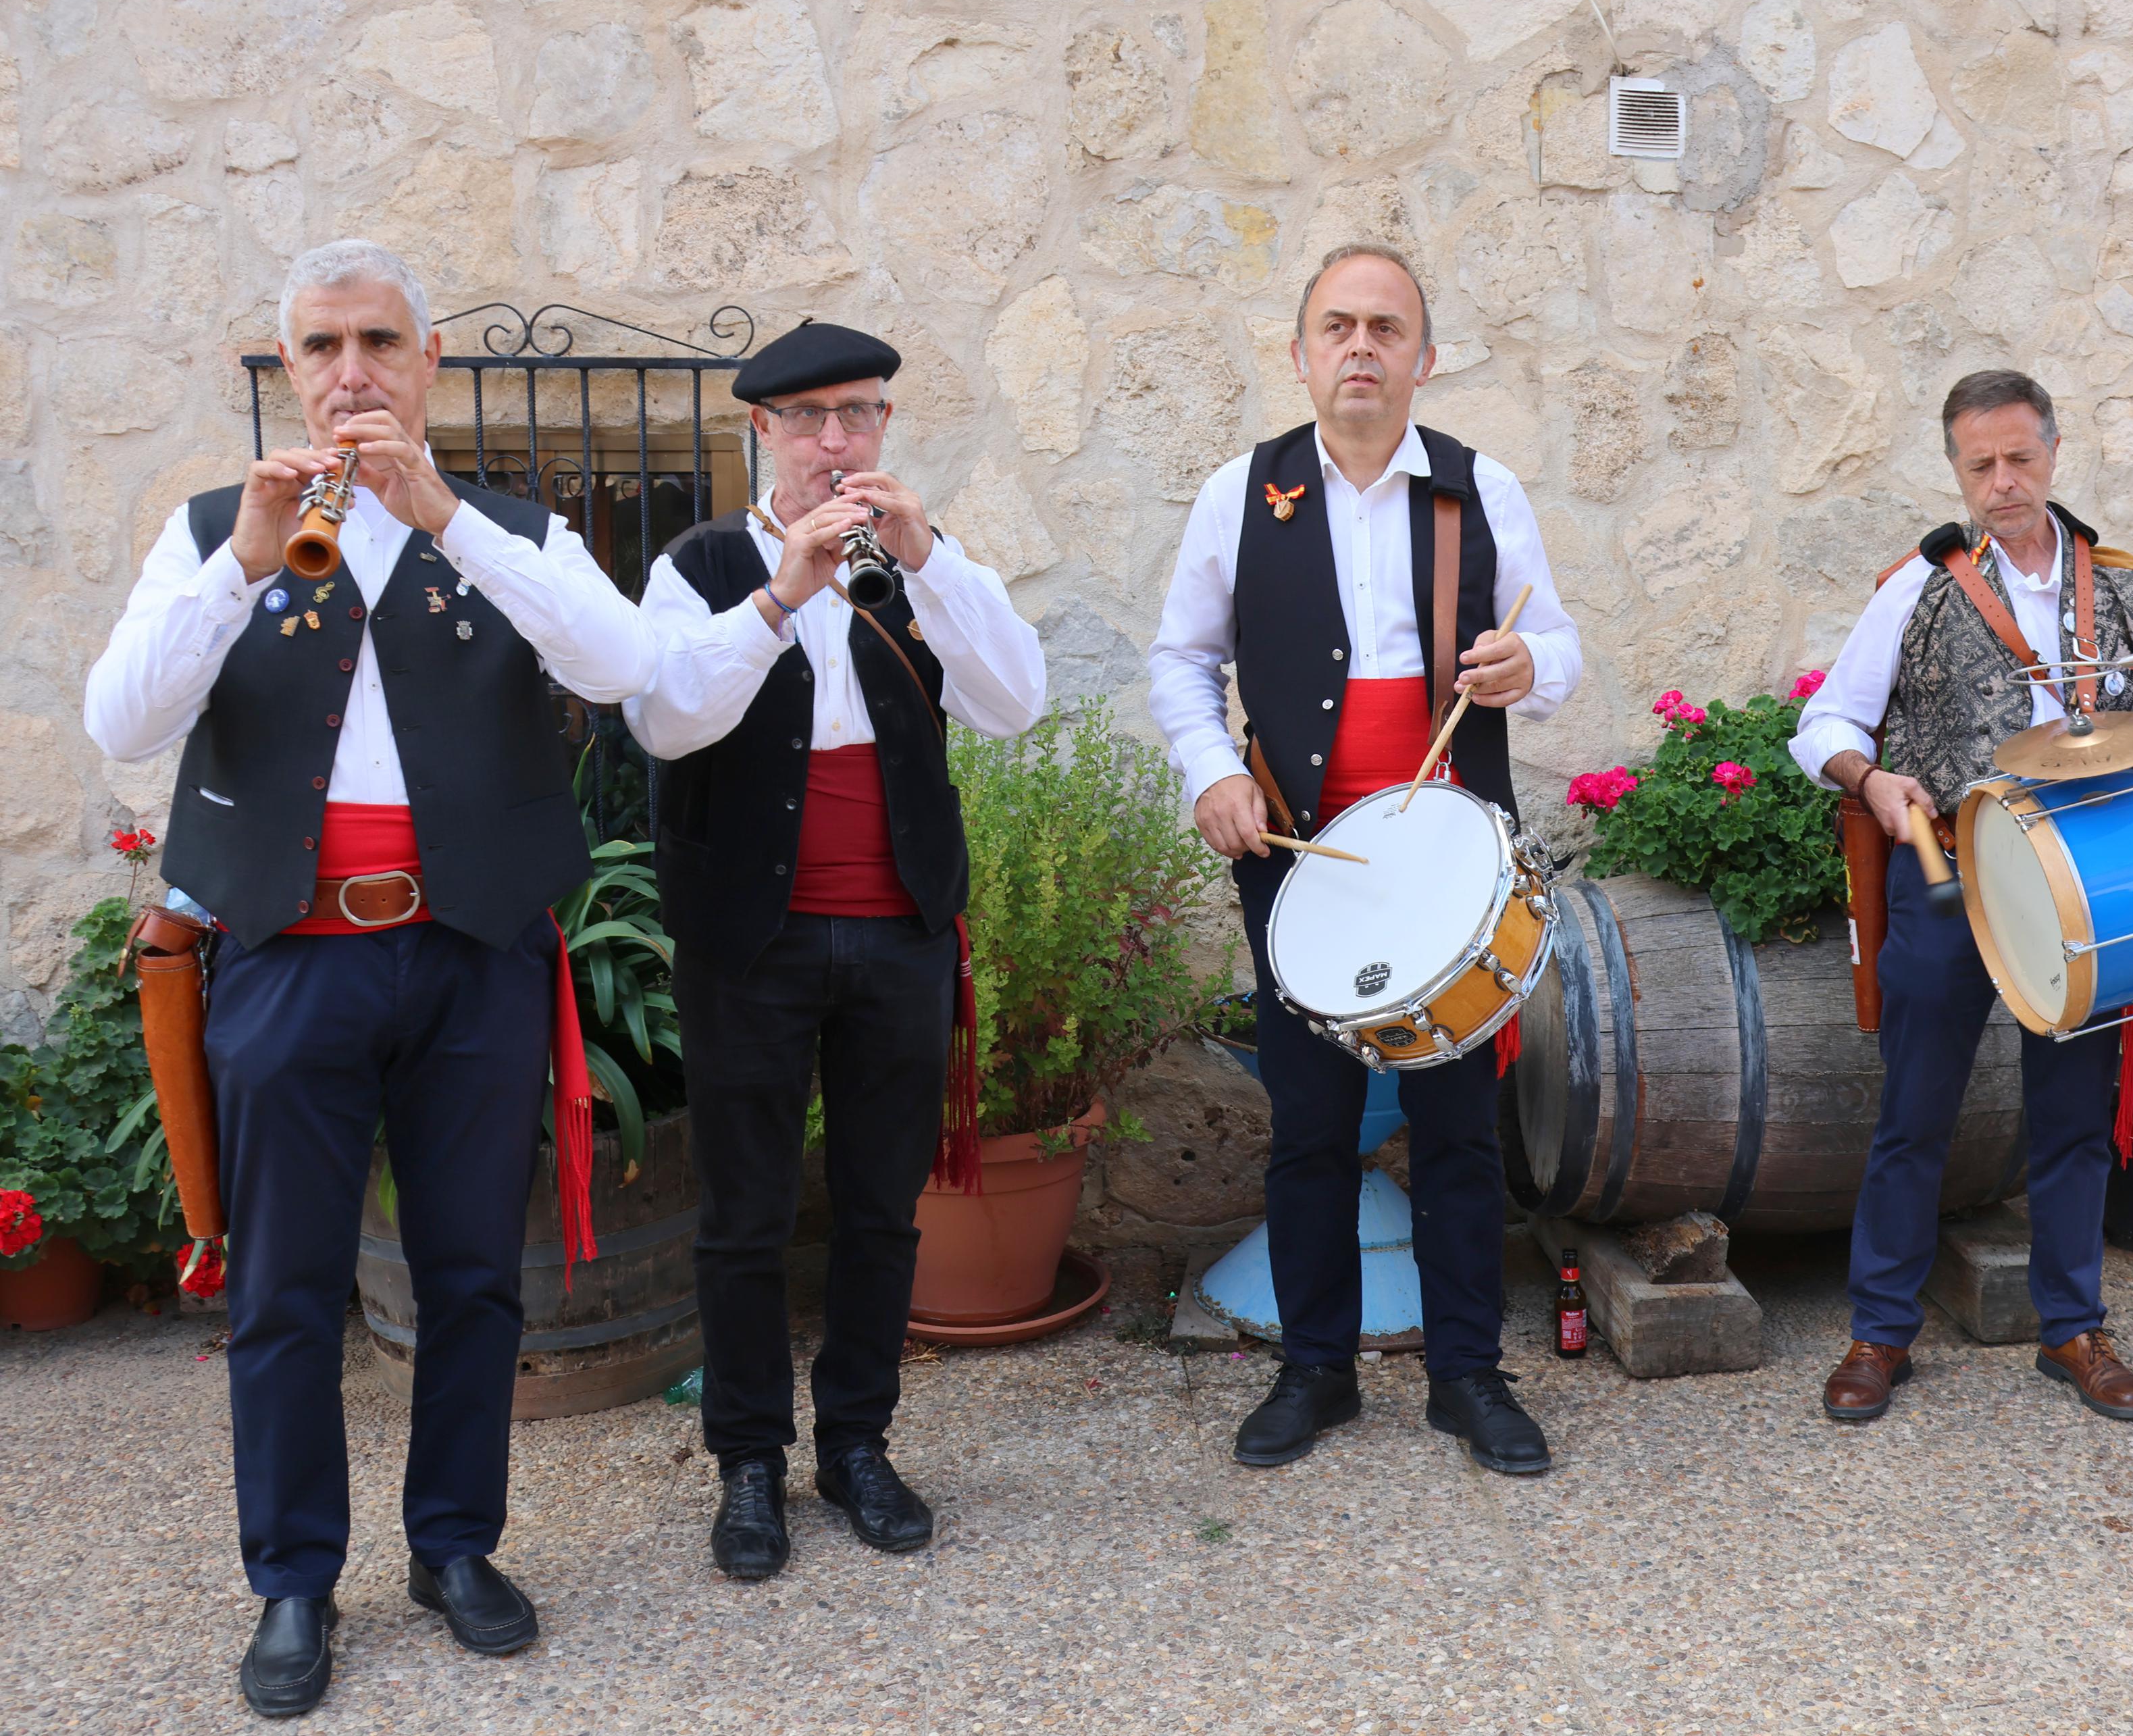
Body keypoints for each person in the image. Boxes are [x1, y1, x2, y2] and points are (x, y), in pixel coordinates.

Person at [83, 240, 655, 1717]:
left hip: (467, 956)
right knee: (283, 1289)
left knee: (474, 1275)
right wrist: (242, 566)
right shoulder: (218, 529)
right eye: (322, 348)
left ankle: (455, 1546)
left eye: (380, 344)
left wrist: (446, 516)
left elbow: (621, 667)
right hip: (289, 960)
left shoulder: (509, 528)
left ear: (430, 360)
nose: (352, 373)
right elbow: (123, 718)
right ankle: (291, 1581)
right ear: (288, 372)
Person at [1148, 243, 1583, 1474]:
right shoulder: (1241, 491)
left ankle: (1467, 1375)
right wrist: (1212, 775)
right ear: (1300, 354)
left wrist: (1528, 668)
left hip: (1451, 866)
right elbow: (1181, 664)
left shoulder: (1480, 490)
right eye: (1337, 326)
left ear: (1422, 359)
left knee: (1457, 1125)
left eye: (1386, 329)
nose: (1361, 347)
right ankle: (1316, 1369)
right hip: (1301, 867)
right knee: (1309, 1124)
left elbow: (1559, 649)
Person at [623, 322, 1046, 1579]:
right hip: (748, 945)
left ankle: (857, 1443)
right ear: (761, 432)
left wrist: (927, 563)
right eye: (807, 419)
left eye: (857, 415)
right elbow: (667, 719)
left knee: (879, 1211)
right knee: (745, 1218)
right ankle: (748, 1461)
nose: (834, 441)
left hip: (898, 935)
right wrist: (782, 593)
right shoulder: (700, 565)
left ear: (883, 429)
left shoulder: (923, 566)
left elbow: (1014, 702)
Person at [1791, 369, 2133, 1425]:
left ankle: (2073, 1328)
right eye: (1979, 464)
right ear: (1956, 468)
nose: (2003, 481)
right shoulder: (1916, 588)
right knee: (1915, 1112)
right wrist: (1870, 781)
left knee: (2075, 1116)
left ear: (2053, 454)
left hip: (2091, 886)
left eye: (2020, 458)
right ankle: (1880, 1332)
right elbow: (1825, 724)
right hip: (1952, 873)